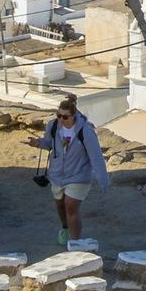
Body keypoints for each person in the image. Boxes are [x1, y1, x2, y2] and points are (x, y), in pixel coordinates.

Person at [39, 94, 106, 243]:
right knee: (60, 205)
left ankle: (75, 242)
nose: (61, 119)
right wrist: (37, 143)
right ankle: (65, 227)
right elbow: (49, 144)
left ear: (74, 115)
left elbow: (96, 156)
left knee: (71, 207)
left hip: (78, 175)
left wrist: (103, 180)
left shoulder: (85, 131)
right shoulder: (54, 126)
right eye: (59, 115)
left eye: (65, 117)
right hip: (57, 174)